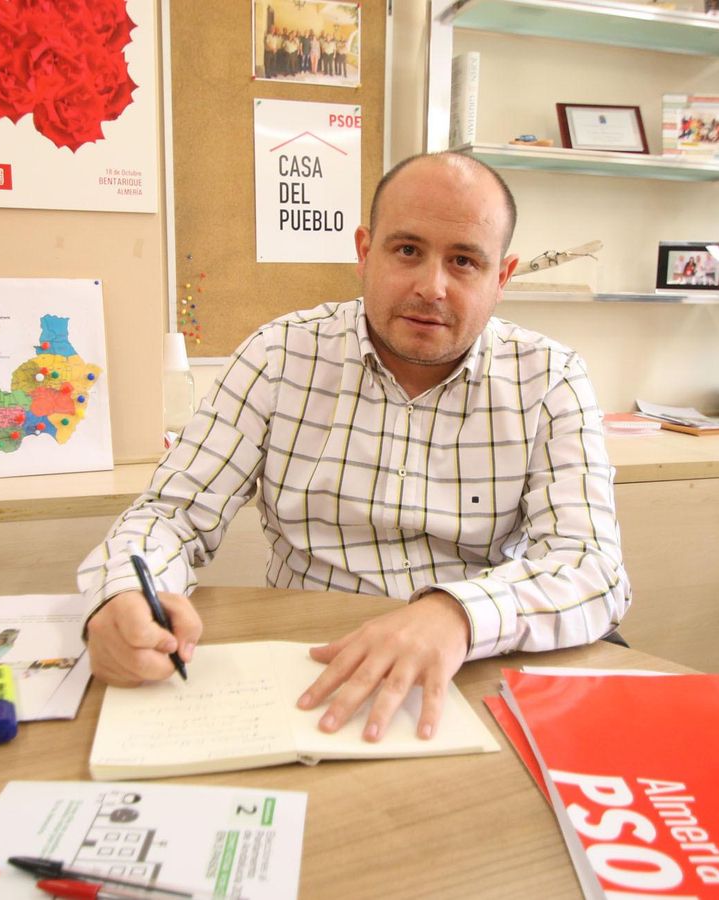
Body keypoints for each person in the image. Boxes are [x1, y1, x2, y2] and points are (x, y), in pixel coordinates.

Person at [78, 152, 630, 743]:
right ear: (365, 252)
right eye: (407, 250)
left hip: (472, 666)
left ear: (502, 277)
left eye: (464, 261)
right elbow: (169, 514)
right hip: (308, 666)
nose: (431, 287)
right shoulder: (279, 356)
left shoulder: (550, 377)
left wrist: (455, 614)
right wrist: (124, 596)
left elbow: (591, 568)